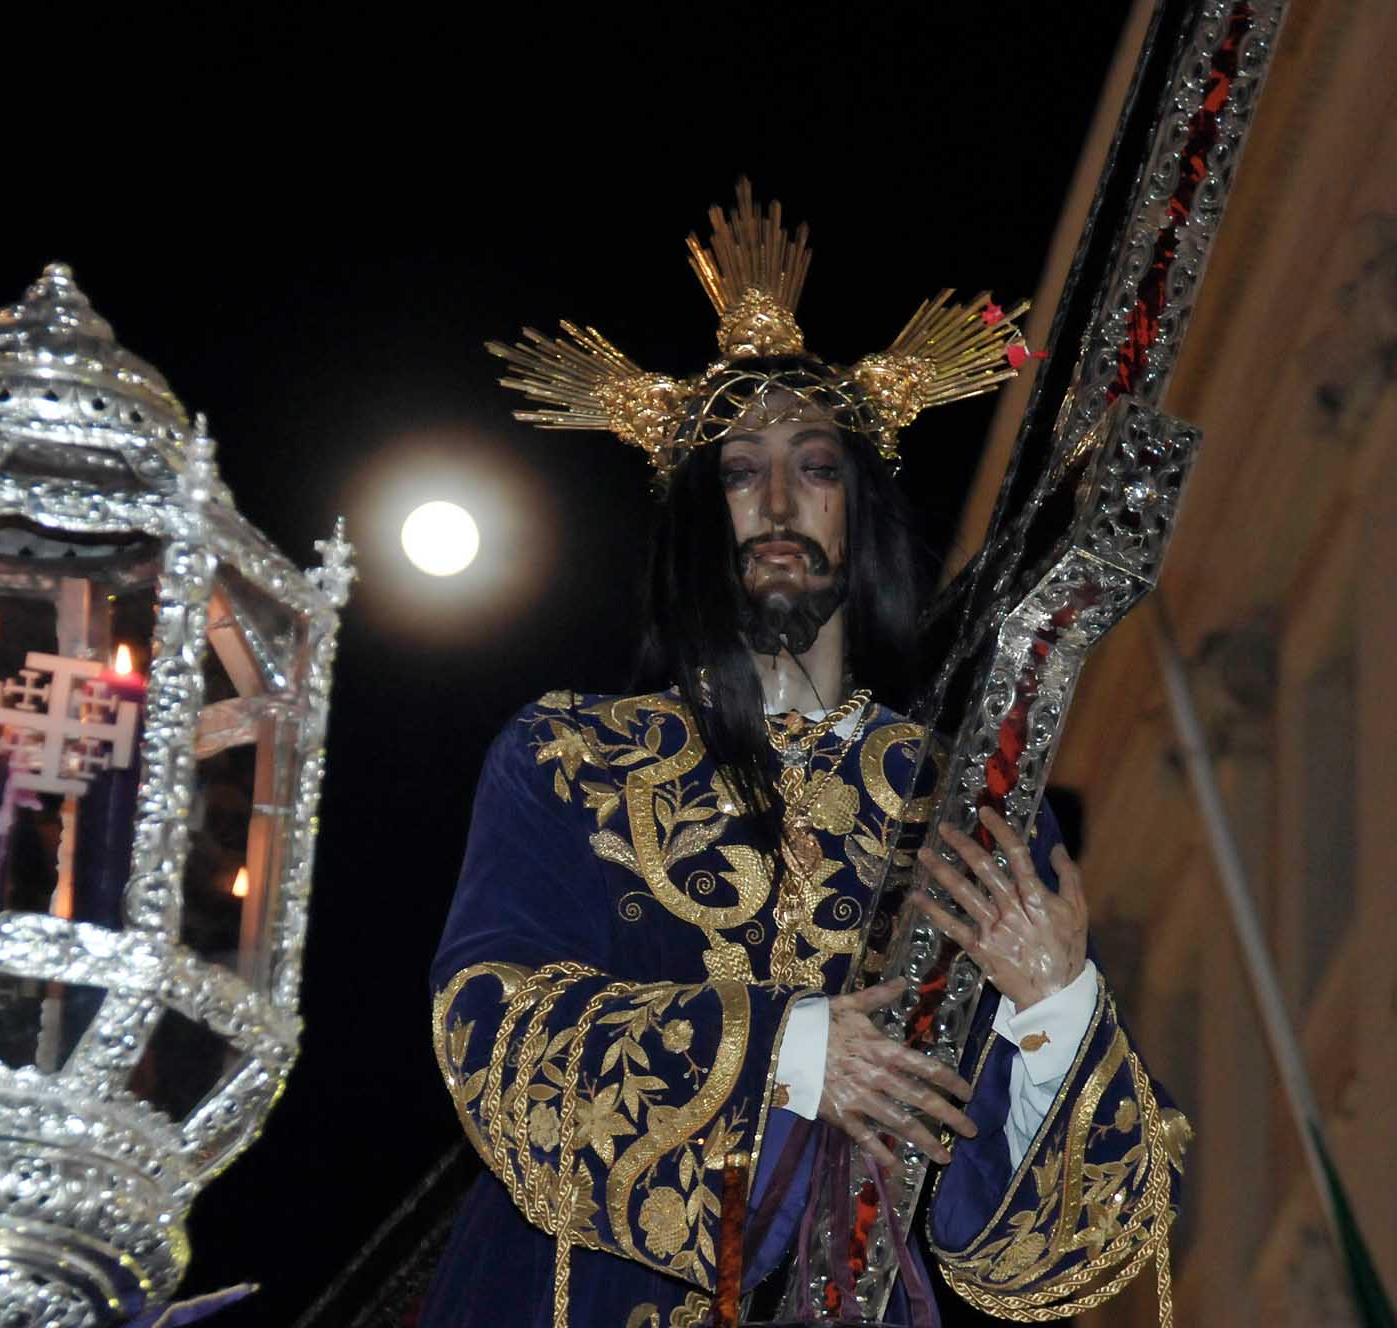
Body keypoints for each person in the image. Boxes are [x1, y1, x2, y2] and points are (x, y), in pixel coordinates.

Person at [426, 183, 1189, 1327]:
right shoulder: (570, 758)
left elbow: (1059, 1246)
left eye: (817, 468)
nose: (778, 500)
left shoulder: (957, 797)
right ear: (696, 518)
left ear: (858, 513)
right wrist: (787, 1052)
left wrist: (1049, 1003)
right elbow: (494, 1021)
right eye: (738, 472)